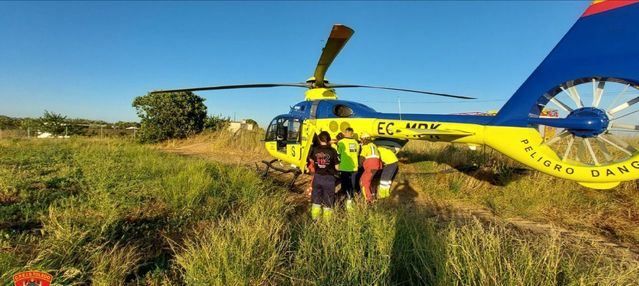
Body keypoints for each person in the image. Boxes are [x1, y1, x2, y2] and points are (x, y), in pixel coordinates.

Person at [308, 131, 340, 219]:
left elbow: (311, 160)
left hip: (317, 177)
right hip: (329, 179)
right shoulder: (332, 151)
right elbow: (337, 167)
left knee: (316, 200)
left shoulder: (315, 150)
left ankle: (315, 219)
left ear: (319, 139)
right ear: (328, 139)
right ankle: (327, 222)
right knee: (328, 200)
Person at [336, 127, 360, 209]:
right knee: (352, 185)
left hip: (344, 167)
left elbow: (338, 155)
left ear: (345, 133)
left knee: (345, 185)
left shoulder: (341, 142)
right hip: (354, 167)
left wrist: (338, 165)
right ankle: (350, 202)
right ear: (352, 134)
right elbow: (357, 154)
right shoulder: (356, 143)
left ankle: (343, 201)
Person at [358, 133, 382, 203]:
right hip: (377, 166)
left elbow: (362, 158)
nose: (362, 141)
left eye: (362, 140)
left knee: (363, 182)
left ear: (364, 139)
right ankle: (373, 197)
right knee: (370, 182)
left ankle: (368, 200)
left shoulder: (366, 147)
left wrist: (359, 166)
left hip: (370, 166)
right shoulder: (374, 145)